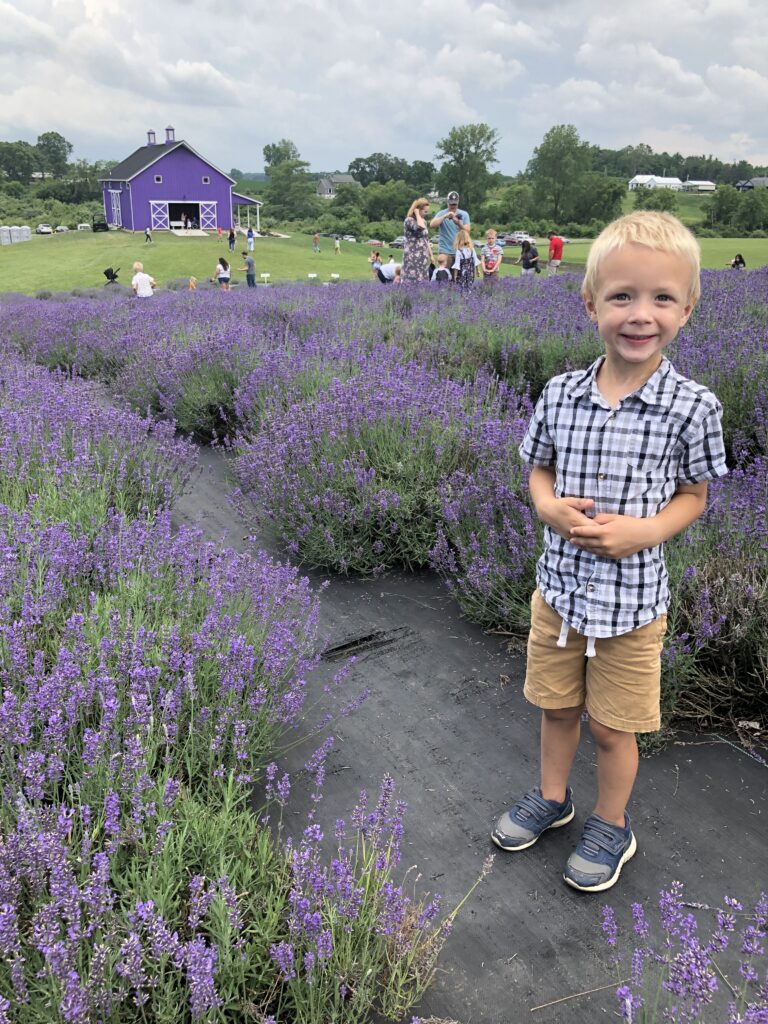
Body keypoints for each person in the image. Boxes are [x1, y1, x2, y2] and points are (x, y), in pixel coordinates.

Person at [491, 211, 727, 893]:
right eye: (622, 296)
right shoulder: (561, 394)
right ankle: (552, 797)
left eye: (661, 298)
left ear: (688, 307)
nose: (640, 314)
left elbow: (694, 495)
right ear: (591, 302)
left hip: (631, 608)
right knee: (557, 708)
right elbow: (537, 468)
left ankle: (612, 823)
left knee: (614, 730)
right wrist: (545, 504)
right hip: (559, 593)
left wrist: (645, 531)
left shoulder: (693, 407)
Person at [430, 190, 470, 260]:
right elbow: (432, 225)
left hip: (459, 250)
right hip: (445, 250)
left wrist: (459, 224)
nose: (453, 206)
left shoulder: (464, 214)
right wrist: (444, 216)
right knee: (444, 270)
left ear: (458, 203)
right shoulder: (441, 213)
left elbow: (467, 231)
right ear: (447, 202)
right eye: (451, 204)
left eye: (454, 204)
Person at [402, 197, 433, 283]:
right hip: (412, 257)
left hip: (423, 257)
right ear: (418, 209)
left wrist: (431, 255)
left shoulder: (423, 221)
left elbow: (426, 239)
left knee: (423, 281)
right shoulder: (409, 220)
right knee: (412, 280)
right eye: (425, 211)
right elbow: (420, 228)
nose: (426, 214)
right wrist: (417, 214)